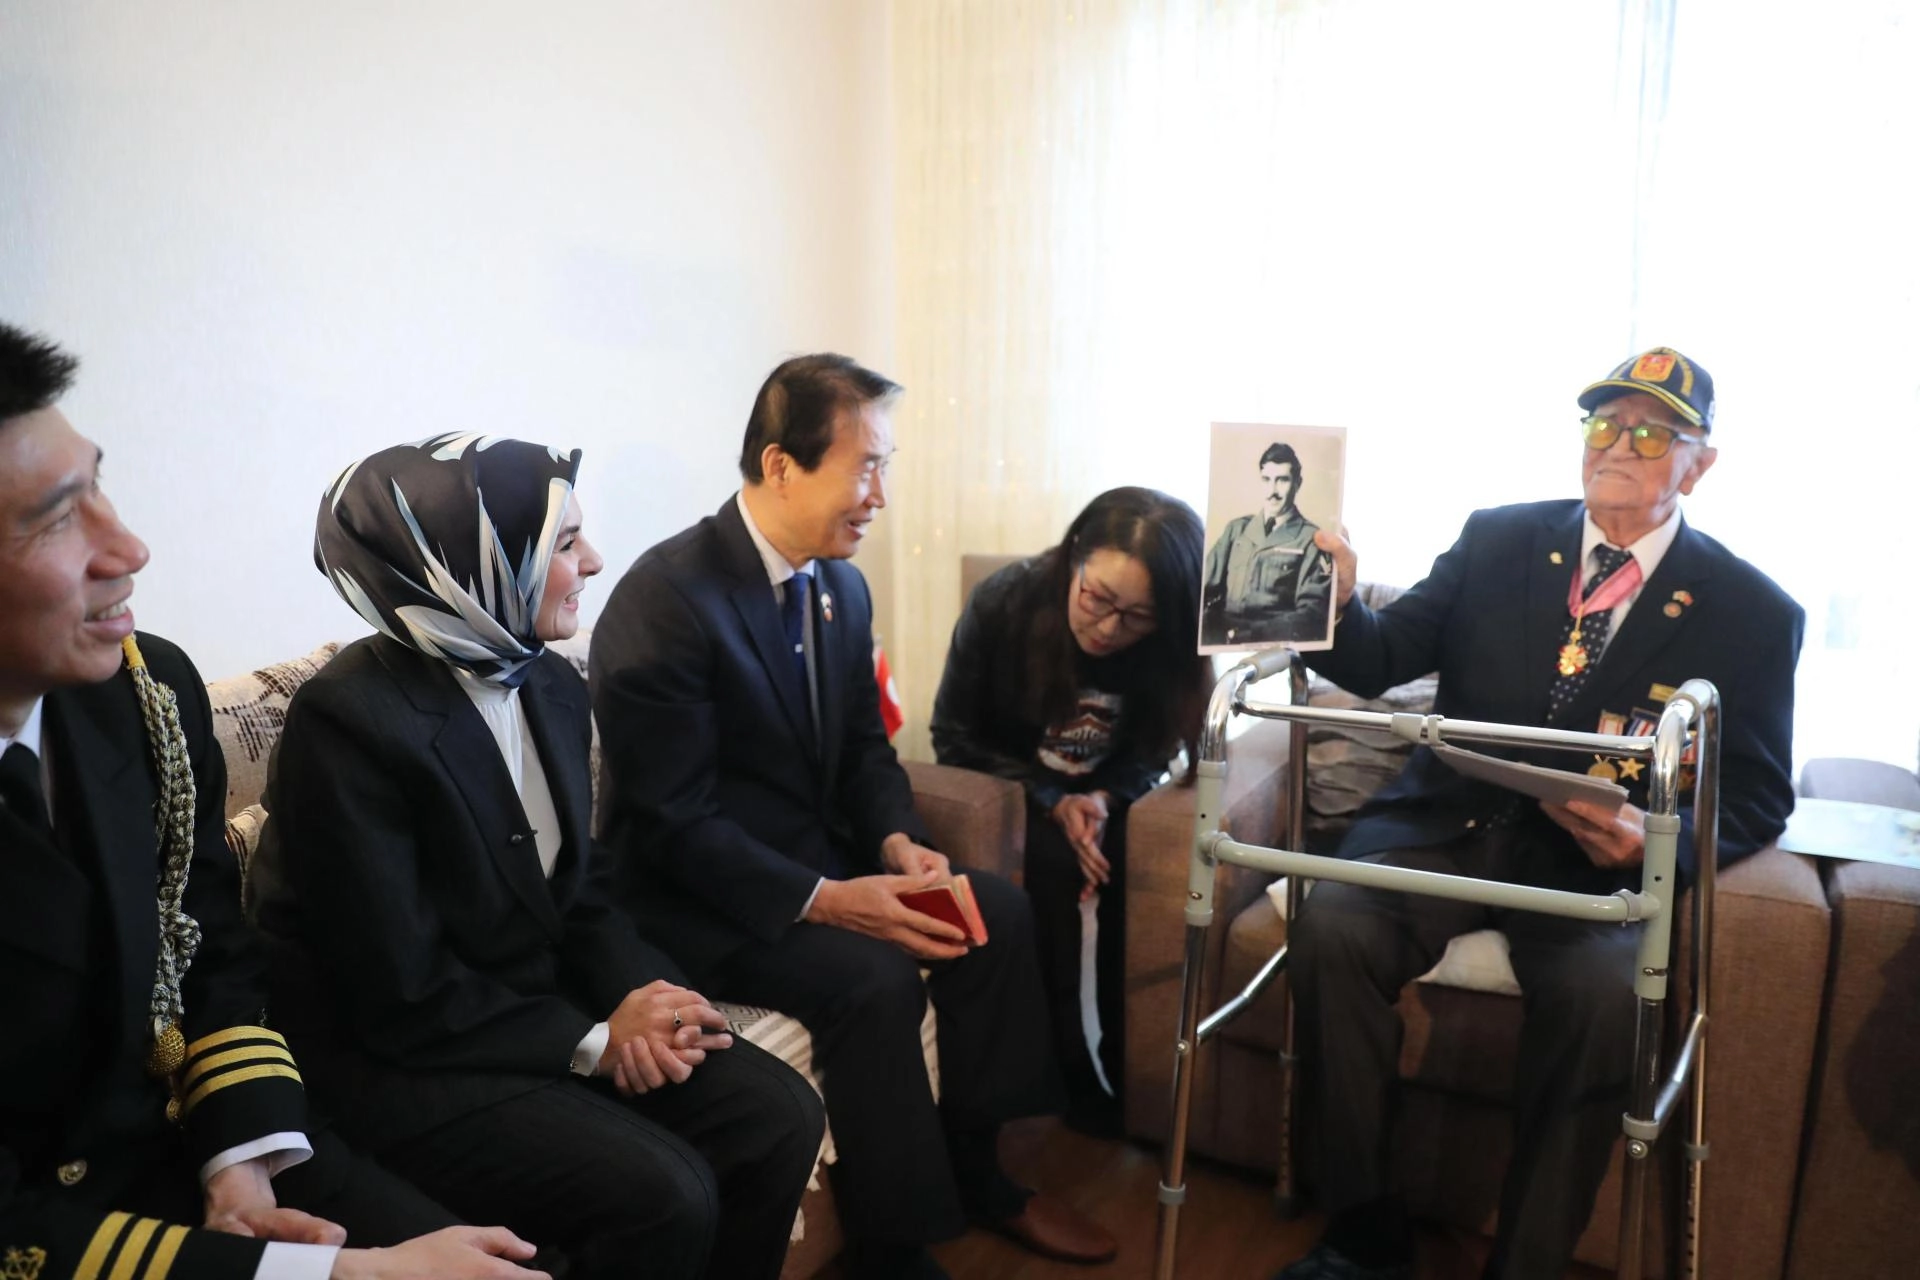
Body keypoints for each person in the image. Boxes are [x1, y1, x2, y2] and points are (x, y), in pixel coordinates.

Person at [0, 322, 547, 1280]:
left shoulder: (143, 691)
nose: (129, 547)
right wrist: (340, 1274)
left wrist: (239, 1160)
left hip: (192, 1142)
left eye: (97, 486)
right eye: (53, 520)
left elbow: (209, 941)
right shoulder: (356, 712)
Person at [589, 354, 1118, 1280]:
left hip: (818, 859)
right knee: (870, 980)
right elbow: (674, 823)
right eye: (865, 466)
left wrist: (895, 840)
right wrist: (834, 900)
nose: (880, 495)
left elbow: (868, 751)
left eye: (885, 466)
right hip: (700, 899)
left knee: (995, 913)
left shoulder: (840, 586)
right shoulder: (667, 601)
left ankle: (983, 1173)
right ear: (782, 466)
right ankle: (892, 1248)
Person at [1278, 347, 1802, 1280]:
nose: (1619, 446)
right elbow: (1380, 656)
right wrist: (1338, 604)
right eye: (1604, 423)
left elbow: (1758, 793)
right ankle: (1362, 1231)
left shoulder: (1753, 611)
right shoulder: (1499, 539)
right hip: (1445, 825)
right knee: (1331, 928)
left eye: (1652, 434)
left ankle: (1524, 1265)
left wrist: (1660, 849)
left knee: (1607, 999)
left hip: (1587, 868)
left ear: (1699, 466)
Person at [247, 435, 824, 1280]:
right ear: (468, 566)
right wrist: (594, 1039)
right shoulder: (349, 721)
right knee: (666, 1193)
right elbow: (400, 990)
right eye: (565, 542)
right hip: (400, 1061)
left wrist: (651, 998)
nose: (594, 561)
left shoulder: (549, 683)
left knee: (780, 1113)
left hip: (523, 1012)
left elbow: (580, 897)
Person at [929, 487, 1211, 1135]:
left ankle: (1129, 1070)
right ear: (1073, 556)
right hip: (1012, 789)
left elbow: (1157, 745)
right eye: (1098, 599)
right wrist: (1054, 801)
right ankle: (1068, 1071)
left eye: (1137, 617)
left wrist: (1103, 799)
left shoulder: (1169, 641)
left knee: (1134, 867)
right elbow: (954, 736)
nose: (1109, 629)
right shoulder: (1004, 603)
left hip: (1107, 793)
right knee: (1054, 869)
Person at [1202, 440, 1334, 646]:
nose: (1272, 491)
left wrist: (1250, 634)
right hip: (1220, 641)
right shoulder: (1237, 530)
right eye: (1266, 480)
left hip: (1273, 646)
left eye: (1282, 480)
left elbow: (1311, 614)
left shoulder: (1312, 539)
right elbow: (1202, 587)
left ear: (1297, 483)